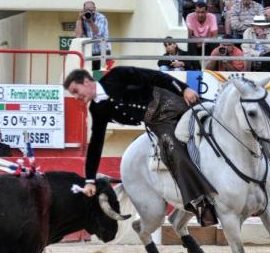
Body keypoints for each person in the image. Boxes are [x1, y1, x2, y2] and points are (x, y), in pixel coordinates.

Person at [63, 67, 218, 227]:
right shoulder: (97, 109)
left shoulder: (117, 75)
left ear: (87, 82)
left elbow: (154, 76)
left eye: (75, 91)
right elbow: (96, 144)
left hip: (168, 102)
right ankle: (201, 202)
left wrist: (183, 89)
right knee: (172, 152)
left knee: (213, 115)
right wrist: (90, 180)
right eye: (72, 94)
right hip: (158, 123)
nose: (75, 97)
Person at [75, 1, 111, 71]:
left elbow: (98, 33)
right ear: (83, 10)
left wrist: (90, 21)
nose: (89, 12)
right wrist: (79, 19)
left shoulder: (101, 17)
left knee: (102, 75)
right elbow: (78, 35)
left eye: (90, 9)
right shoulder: (82, 18)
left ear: (94, 9)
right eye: (86, 10)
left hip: (103, 51)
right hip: (89, 52)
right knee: (90, 74)